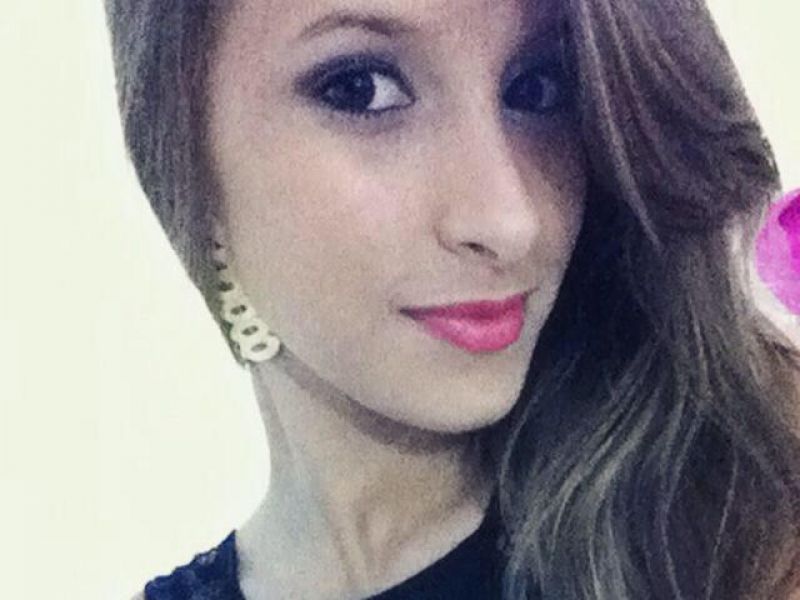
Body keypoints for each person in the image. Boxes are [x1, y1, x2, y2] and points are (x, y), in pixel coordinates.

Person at [104, 0, 800, 598]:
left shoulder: (752, 532)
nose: (508, 221)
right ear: (185, 153)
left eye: (538, 88)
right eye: (361, 89)